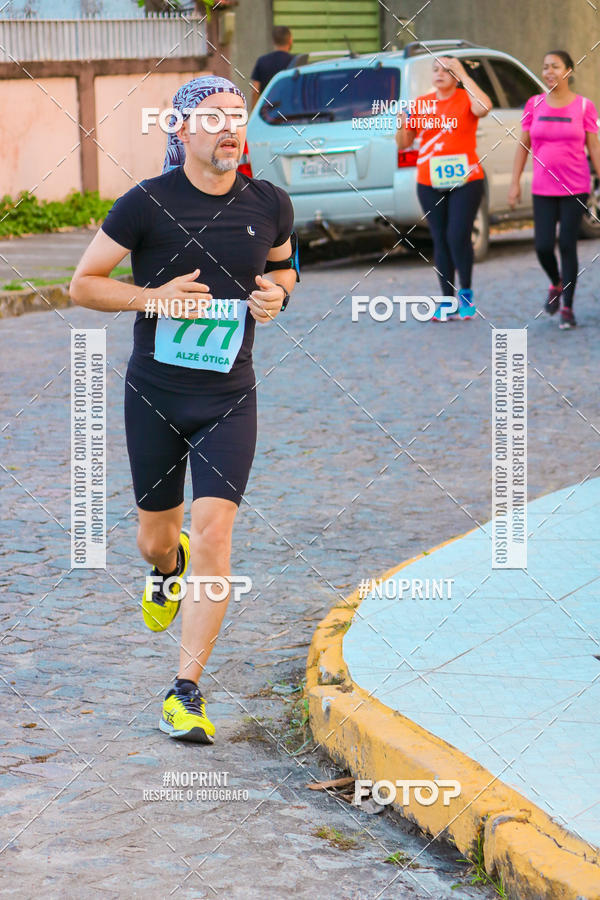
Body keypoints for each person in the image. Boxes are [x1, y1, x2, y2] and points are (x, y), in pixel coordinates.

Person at [69, 75, 299, 744]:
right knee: (156, 538)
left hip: (230, 398)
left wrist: (275, 296)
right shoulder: (146, 204)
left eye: (239, 116)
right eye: (214, 116)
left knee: (218, 535)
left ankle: (186, 693)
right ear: (182, 130)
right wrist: (154, 297)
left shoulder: (270, 203)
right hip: (156, 397)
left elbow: (284, 270)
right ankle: (166, 568)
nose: (230, 127)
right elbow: (83, 285)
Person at [508, 50, 600, 329]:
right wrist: (514, 183)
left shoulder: (584, 107)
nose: (549, 72)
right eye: (545, 67)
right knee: (543, 246)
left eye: (555, 67)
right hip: (543, 188)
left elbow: (594, 147)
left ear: (569, 71)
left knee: (567, 244)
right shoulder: (534, 104)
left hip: (575, 187)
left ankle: (568, 308)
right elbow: (523, 145)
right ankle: (556, 283)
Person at [396, 56, 491, 321]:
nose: (440, 74)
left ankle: (466, 293)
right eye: (436, 69)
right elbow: (403, 143)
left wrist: (463, 72)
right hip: (429, 181)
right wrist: (402, 123)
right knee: (440, 238)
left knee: (457, 235)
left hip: (466, 179)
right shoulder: (421, 104)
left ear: (457, 75)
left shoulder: (465, 99)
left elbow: (484, 107)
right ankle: (446, 300)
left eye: (447, 70)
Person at [250, 25, 294, 108]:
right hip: (291, 112)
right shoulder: (296, 62)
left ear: (273, 41)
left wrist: (254, 112)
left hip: (268, 114)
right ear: (290, 40)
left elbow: (255, 91)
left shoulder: (262, 61)